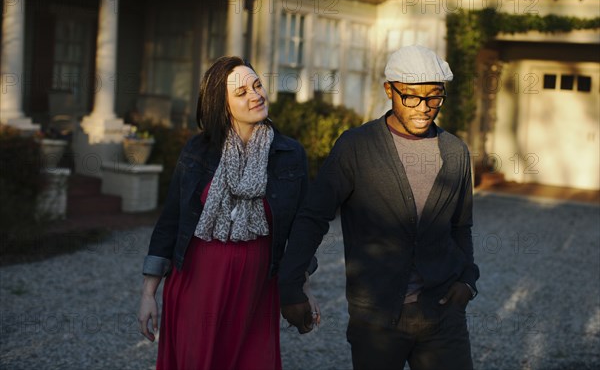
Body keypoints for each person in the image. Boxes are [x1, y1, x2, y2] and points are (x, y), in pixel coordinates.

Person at [278, 45, 479, 370]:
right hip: (375, 318)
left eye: (434, 97)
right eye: (411, 96)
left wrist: (467, 280)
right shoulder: (356, 147)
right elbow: (313, 217)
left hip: (443, 315)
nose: (424, 107)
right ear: (389, 90)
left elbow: (461, 226)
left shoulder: (456, 152)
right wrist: (290, 286)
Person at [138, 56, 319, 370]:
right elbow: (170, 221)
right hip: (198, 287)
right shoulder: (197, 151)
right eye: (241, 92)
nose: (255, 95)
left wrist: (303, 288)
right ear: (222, 107)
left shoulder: (290, 155)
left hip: (257, 291)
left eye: (257, 85)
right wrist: (148, 293)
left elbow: (300, 233)